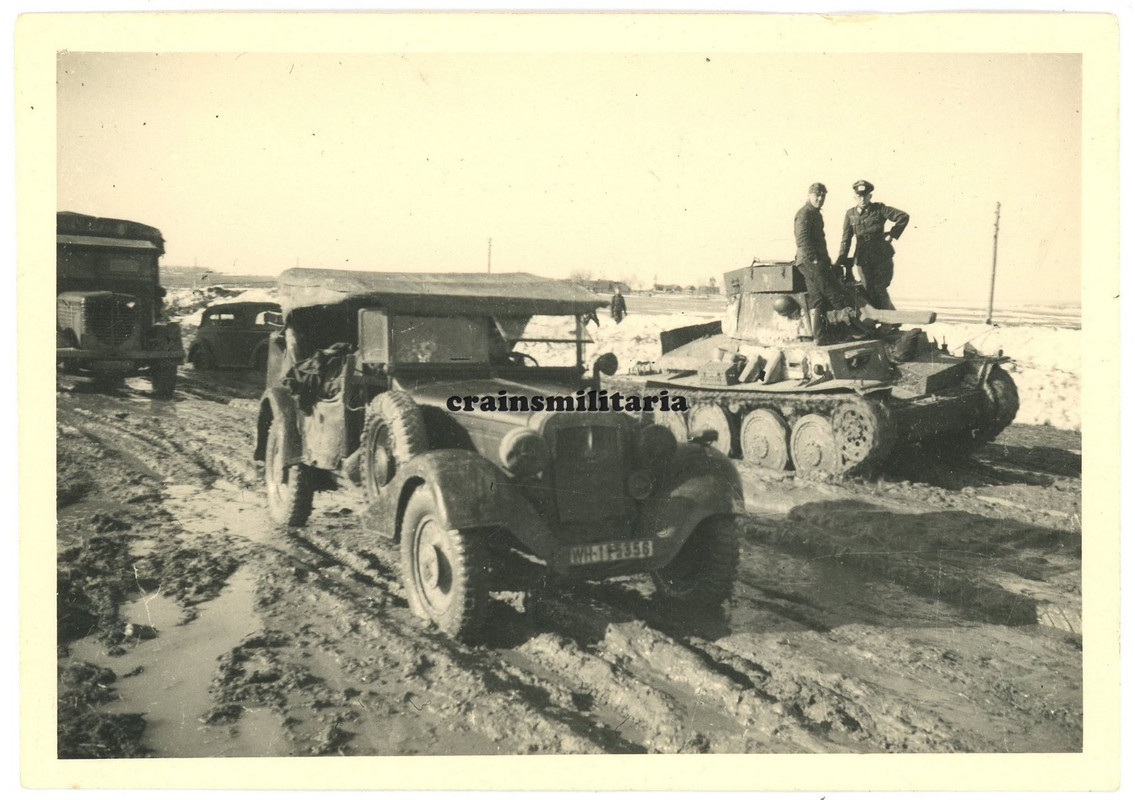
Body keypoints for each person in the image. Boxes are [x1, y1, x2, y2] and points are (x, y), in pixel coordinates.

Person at [793, 182, 860, 338]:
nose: (820, 198)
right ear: (809, 195)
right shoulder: (805, 213)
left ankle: (821, 337)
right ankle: (847, 331)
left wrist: (826, 261)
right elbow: (802, 240)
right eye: (817, 195)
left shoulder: (815, 213)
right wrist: (815, 261)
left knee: (818, 299)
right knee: (834, 294)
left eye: (823, 195)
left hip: (811, 262)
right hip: (810, 262)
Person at [836, 180, 910, 311]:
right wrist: (841, 258)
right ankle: (890, 319)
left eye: (865, 196)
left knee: (879, 287)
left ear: (870, 196)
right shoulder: (850, 214)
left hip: (881, 254)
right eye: (859, 196)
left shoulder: (879, 209)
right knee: (867, 289)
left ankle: (887, 323)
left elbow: (903, 216)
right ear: (855, 197)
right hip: (862, 257)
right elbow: (846, 238)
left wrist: (892, 234)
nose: (862, 199)